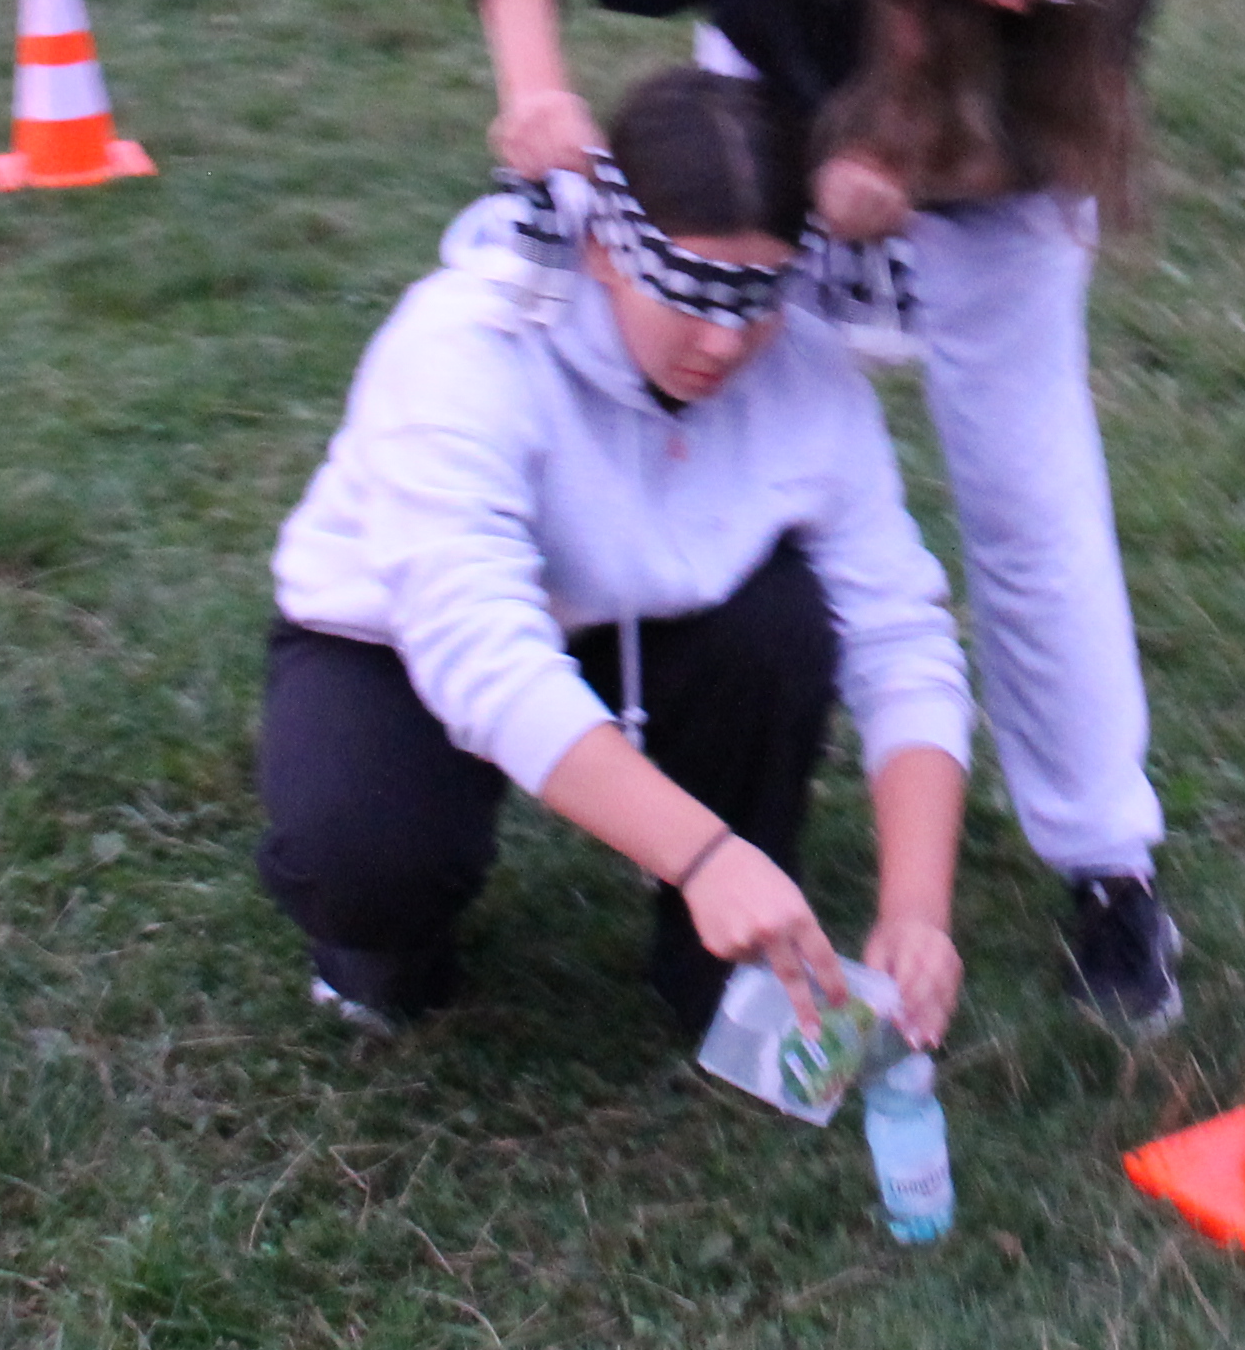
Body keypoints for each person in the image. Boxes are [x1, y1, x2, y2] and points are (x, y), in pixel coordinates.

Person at [471, 0, 1187, 1033]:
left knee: (1034, 498)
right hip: (781, 113)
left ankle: (1109, 862)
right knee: (742, 445)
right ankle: (690, 788)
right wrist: (538, 91)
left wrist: (913, 169)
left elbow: (1051, 110)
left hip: (989, 188)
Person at [259, 67, 970, 1046]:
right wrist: (702, 852)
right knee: (369, 862)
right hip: (397, 644)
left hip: (653, 623)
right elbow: (482, 656)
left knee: (783, 626)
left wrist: (918, 907)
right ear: (601, 246)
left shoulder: (805, 372)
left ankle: (720, 962)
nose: (724, 342)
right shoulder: (463, 347)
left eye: (756, 297)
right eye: (691, 291)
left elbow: (899, 632)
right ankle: (381, 940)